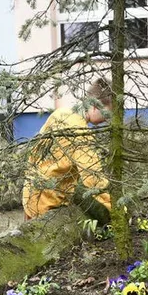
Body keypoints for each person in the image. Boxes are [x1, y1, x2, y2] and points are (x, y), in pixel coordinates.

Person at [22, 78, 112, 222]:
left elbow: (35, 153)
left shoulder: (61, 113)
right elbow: (92, 177)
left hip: (32, 194)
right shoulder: (79, 131)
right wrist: (116, 207)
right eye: (107, 114)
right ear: (95, 106)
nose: (107, 120)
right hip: (46, 202)